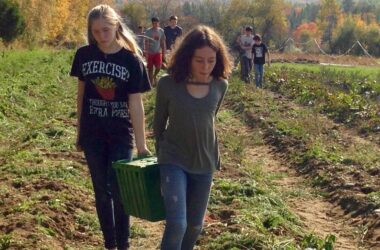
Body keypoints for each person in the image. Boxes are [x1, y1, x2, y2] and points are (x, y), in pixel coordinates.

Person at [70, 4, 151, 250]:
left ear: (116, 26)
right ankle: (110, 244)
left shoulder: (132, 61)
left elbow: (135, 104)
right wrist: (79, 131)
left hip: (120, 134)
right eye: (96, 32)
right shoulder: (84, 55)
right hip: (93, 133)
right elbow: (81, 95)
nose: (101, 36)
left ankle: (123, 243)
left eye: (106, 30)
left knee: (119, 190)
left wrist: (142, 145)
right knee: (101, 191)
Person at [153, 25, 232, 250]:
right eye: (199, 60)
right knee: (177, 223)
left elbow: (209, 120)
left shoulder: (220, 85)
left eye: (211, 60)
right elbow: (158, 125)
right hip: (173, 161)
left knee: (195, 226)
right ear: (187, 57)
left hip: (205, 163)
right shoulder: (168, 84)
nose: (206, 67)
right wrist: (162, 157)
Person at [144, 17, 166, 86]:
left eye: (156, 23)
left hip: (157, 52)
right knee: (150, 69)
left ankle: (155, 76)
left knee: (158, 67)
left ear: (158, 23)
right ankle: (150, 84)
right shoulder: (148, 31)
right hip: (150, 53)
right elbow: (146, 42)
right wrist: (146, 53)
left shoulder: (161, 31)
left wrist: (164, 52)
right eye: (154, 23)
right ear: (152, 23)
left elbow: (162, 42)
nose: (155, 24)